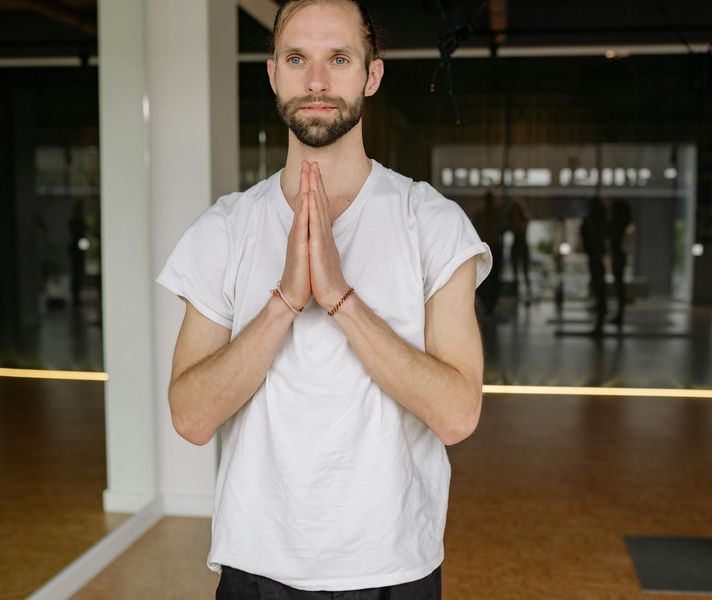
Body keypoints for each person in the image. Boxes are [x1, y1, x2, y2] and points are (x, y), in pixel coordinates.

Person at [156, 1, 491, 598]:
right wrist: (284, 302)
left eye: (338, 59)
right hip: (256, 566)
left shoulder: (432, 223)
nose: (316, 81)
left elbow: (457, 416)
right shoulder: (224, 229)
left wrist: (341, 300)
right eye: (296, 59)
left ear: (371, 75)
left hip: (393, 568)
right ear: (272, 74)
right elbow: (191, 417)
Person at [473, 191, 505, 315]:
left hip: (490, 248)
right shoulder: (482, 215)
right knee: (488, 277)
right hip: (487, 248)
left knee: (490, 277)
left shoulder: (490, 215)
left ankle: (489, 303)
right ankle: (488, 303)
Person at [580, 196, 608, 335]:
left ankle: (600, 323)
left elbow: (593, 240)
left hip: (595, 257)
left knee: (599, 288)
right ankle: (600, 321)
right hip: (596, 257)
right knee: (599, 288)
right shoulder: (599, 222)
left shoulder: (595, 223)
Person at [607, 199, 632, 326]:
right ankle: (619, 314)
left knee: (619, 287)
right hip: (619, 256)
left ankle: (620, 315)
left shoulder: (616, 224)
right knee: (619, 286)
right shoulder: (620, 224)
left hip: (618, 257)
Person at [509, 200, 531, 303]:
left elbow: (521, 229)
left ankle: (527, 294)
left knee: (525, 272)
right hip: (517, 245)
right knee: (516, 273)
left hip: (521, 245)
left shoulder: (523, 220)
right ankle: (517, 295)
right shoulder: (514, 220)